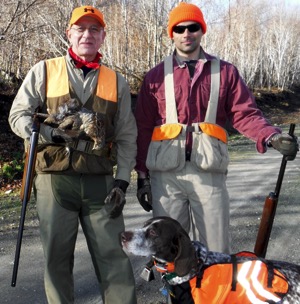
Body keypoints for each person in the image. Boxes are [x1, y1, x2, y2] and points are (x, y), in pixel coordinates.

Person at [134, 2, 298, 254]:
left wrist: (271, 136)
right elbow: (143, 127)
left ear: (202, 30)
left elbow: (245, 113)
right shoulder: (155, 77)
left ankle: (215, 294)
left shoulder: (226, 72)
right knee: (169, 251)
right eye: (179, 28)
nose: (186, 33)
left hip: (208, 174)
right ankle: (176, 296)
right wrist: (142, 177)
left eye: (193, 27)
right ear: (172, 33)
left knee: (216, 251)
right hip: (165, 178)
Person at [9, 5, 137, 304]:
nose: (87, 35)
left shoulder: (116, 81)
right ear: (69, 33)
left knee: (115, 258)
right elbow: (18, 115)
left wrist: (122, 181)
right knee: (57, 260)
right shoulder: (44, 70)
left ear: (103, 37)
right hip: (55, 182)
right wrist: (46, 133)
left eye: (94, 29)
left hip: (101, 183)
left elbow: (128, 135)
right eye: (80, 29)